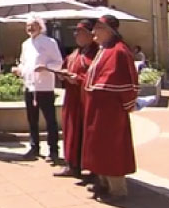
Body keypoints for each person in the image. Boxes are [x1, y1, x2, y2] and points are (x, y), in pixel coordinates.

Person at [83, 15, 138, 203]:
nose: (93, 32)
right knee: (98, 146)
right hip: (97, 108)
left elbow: (126, 83)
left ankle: (118, 190)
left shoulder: (119, 51)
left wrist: (126, 105)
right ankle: (103, 182)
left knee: (112, 147)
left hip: (110, 111)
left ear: (109, 30)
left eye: (97, 28)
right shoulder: (104, 49)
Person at [12, 15, 63, 163]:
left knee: (50, 120)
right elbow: (23, 62)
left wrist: (46, 67)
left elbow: (58, 63)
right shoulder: (25, 44)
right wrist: (19, 69)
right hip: (30, 86)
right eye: (27, 25)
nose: (30, 28)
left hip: (45, 87)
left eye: (33, 25)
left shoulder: (50, 42)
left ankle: (53, 150)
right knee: (32, 120)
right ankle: (34, 147)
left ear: (40, 26)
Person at [54, 20, 98, 178]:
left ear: (90, 35)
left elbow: (96, 76)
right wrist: (63, 74)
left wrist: (78, 79)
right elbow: (66, 66)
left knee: (86, 134)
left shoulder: (96, 53)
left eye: (79, 32)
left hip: (86, 102)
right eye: (75, 32)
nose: (75, 35)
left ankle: (92, 169)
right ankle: (71, 164)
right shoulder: (75, 53)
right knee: (71, 132)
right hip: (72, 100)